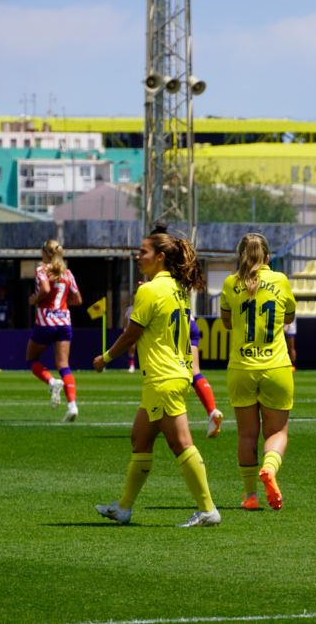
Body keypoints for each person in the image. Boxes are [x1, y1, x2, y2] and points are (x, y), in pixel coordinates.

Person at [92, 232, 220, 527]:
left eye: (143, 252)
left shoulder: (150, 291)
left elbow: (131, 335)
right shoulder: (178, 289)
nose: (138, 256)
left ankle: (208, 509)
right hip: (173, 374)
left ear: (160, 257)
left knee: (181, 444)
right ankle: (123, 508)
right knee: (140, 439)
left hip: (163, 376)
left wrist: (105, 359)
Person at [221, 233, 297, 511]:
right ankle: (269, 469)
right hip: (276, 366)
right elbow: (288, 317)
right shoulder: (280, 280)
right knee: (277, 432)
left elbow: (227, 322)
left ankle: (251, 496)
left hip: (241, 368)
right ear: (267, 257)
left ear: (240, 256)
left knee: (247, 435)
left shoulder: (230, 283)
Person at [148, 223, 223, 437]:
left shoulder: (159, 273)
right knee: (194, 372)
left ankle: (166, 420)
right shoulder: (181, 268)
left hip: (171, 326)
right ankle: (212, 410)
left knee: (165, 374)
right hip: (189, 323)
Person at [27, 240, 82, 422]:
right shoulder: (68, 273)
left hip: (46, 321)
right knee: (64, 365)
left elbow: (45, 288)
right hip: (64, 321)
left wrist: (35, 300)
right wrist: (63, 305)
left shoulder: (42, 270)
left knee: (31, 359)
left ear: (45, 254)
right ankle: (72, 406)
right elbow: (78, 300)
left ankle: (51, 382)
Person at [123, 297, 137, 373]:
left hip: (142, 332)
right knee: (132, 348)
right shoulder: (129, 309)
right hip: (131, 332)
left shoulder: (142, 307)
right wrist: (125, 330)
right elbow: (125, 321)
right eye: (133, 298)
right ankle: (131, 366)